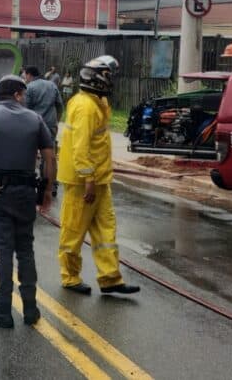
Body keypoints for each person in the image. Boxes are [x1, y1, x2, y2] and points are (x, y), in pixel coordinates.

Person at [0, 74, 55, 328]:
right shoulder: (36, 119)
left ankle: (4, 310)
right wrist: (48, 190)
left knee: (4, 251)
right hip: (26, 193)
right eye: (24, 94)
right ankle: (30, 309)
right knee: (25, 250)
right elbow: (50, 158)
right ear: (18, 94)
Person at [57, 56, 140, 296]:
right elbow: (80, 148)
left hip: (100, 179)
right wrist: (88, 179)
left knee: (106, 232)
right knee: (73, 230)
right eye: (108, 76)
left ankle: (110, 279)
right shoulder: (84, 106)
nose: (111, 80)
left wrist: (97, 179)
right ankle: (70, 277)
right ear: (97, 78)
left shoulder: (97, 103)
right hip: (83, 182)